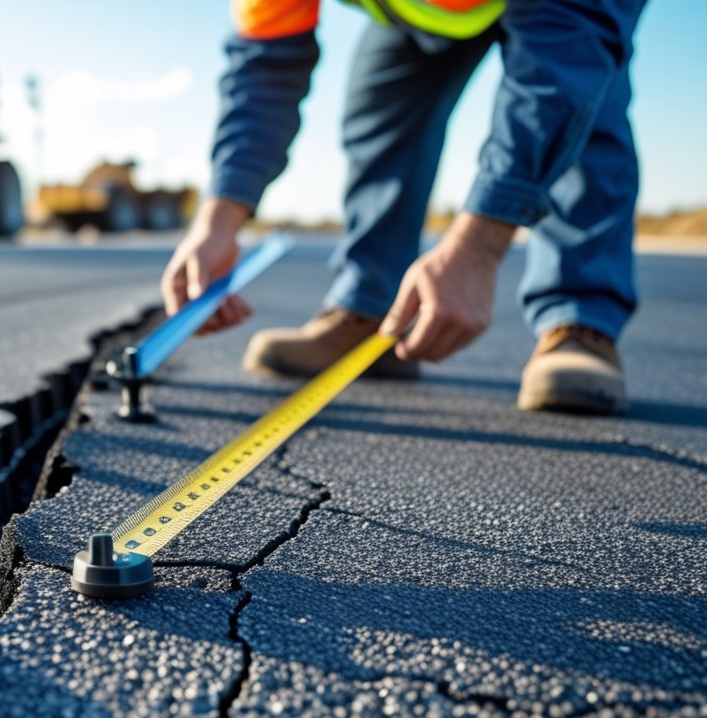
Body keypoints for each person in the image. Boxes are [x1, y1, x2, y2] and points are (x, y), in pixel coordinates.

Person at [161, 0, 648, 414]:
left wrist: (477, 246)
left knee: (585, 114)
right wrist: (216, 222)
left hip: (572, 10)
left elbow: (561, 72)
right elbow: (263, 71)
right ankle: (371, 313)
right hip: (422, 13)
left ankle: (580, 324)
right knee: (377, 114)